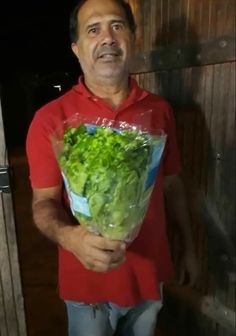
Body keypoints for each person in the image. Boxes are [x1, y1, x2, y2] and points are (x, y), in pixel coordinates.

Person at [26, 0, 198, 335]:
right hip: (87, 288)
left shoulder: (159, 111)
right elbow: (42, 203)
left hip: (148, 278)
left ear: (133, 38)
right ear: (77, 48)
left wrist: (188, 248)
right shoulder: (50, 120)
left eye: (117, 26)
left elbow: (173, 185)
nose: (107, 37)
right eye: (93, 29)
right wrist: (70, 237)